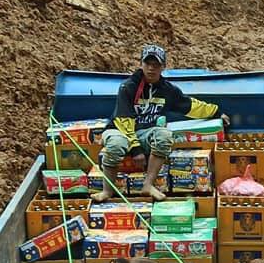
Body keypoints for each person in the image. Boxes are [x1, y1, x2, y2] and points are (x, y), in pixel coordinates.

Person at [95, 44, 229, 202]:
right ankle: (107, 191)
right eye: (147, 64)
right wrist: (136, 149)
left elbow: (190, 105)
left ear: (163, 67)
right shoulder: (128, 87)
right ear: (141, 64)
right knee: (117, 143)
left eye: (156, 65)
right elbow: (124, 121)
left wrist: (217, 112)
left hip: (146, 132)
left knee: (165, 134)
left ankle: (148, 185)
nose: (151, 68)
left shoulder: (167, 90)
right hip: (119, 129)